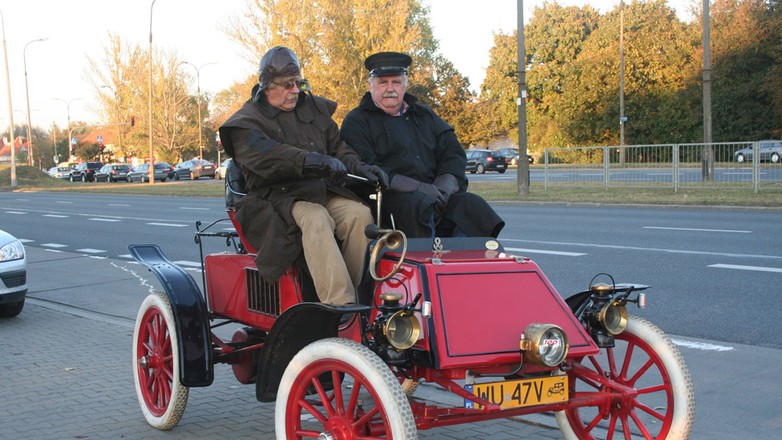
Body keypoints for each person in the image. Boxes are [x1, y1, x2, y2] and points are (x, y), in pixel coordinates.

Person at [218, 46, 388, 305]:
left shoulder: (312, 108)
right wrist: (313, 160)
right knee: (315, 218)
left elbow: (338, 148)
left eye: (298, 83)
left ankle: (360, 298)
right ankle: (340, 305)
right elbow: (268, 156)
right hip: (275, 199)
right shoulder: (245, 122)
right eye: (287, 85)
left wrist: (359, 167)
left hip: (319, 190)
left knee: (359, 215)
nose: (295, 90)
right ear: (266, 86)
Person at [340, 51, 504, 238]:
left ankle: (469, 263)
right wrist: (420, 189)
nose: (390, 89)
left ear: (405, 84)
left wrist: (445, 187)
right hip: (390, 197)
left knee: (471, 205)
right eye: (383, 82)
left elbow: (452, 152)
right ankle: (424, 264)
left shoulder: (425, 115)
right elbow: (366, 167)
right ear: (370, 86)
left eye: (396, 82)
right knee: (416, 205)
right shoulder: (357, 121)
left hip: (437, 192)